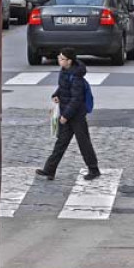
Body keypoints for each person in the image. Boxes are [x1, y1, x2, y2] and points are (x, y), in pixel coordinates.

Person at [36, 48, 100, 181]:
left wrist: (65, 115)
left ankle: (94, 170)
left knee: (84, 142)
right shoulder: (65, 71)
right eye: (59, 57)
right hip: (66, 112)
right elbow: (63, 87)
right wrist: (56, 95)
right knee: (61, 142)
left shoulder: (76, 76)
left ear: (69, 61)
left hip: (76, 115)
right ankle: (49, 170)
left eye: (62, 58)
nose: (59, 60)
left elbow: (76, 99)